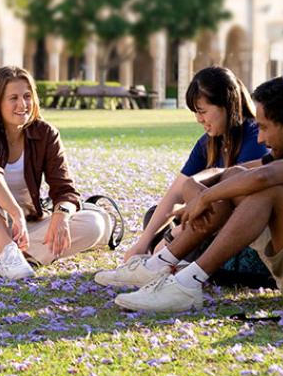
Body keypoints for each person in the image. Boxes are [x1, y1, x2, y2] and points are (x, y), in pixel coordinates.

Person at [111, 75, 283, 313]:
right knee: (235, 179)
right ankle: (160, 264)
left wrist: (204, 198)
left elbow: (263, 177)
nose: (260, 139)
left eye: (263, 127)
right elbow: (229, 172)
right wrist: (196, 187)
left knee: (267, 190)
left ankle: (187, 283)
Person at [0, 65, 116, 279]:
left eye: (27, 96)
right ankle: (7, 252)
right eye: (13, 98)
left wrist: (62, 214)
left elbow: (64, 189)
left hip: (17, 228)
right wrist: (15, 211)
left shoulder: (45, 134)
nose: (23, 104)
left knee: (95, 224)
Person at [95, 66, 267, 288]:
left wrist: (173, 236)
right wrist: (143, 242)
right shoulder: (208, 142)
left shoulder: (255, 136)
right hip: (206, 222)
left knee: (180, 228)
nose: (198, 119)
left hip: (236, 228)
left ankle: (170, 261)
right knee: (154, 216)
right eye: (195, 112)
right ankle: (172, 259)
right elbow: (176, 192)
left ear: (227, 104)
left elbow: (234, 204)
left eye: (203, 111)